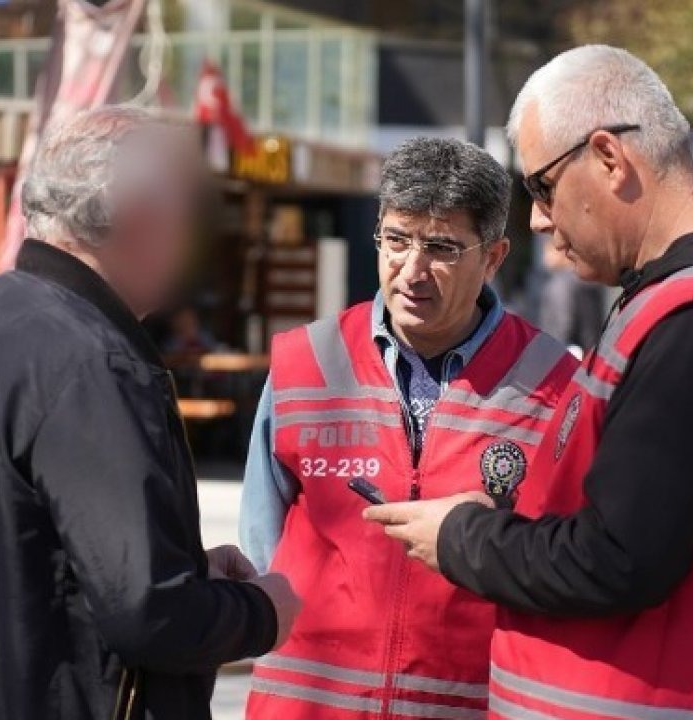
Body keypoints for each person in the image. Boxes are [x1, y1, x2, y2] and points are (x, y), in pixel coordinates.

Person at [365, 46, 693, 719]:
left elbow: (618, 558)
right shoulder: (689, 309)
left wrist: (462, 536)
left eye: (542, 187)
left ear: (608, 157)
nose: (538, 218)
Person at [0, 106, 299, 720]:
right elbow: (149, 613)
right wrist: (264, 611)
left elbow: (43, 554)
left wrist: (189, 570)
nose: (187, 240)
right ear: (137, 218)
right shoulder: (93, 360)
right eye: (183, 214)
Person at [239, 137, 577, 719]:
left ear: (494, 258)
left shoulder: (553, 384)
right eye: (396, 240)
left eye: (441, 247)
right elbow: (260, 549)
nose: (412, 270)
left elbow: (566, 564)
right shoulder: (306, 363)